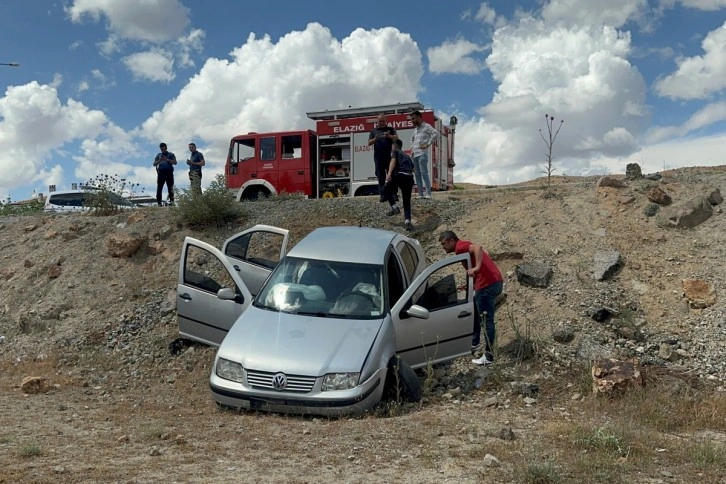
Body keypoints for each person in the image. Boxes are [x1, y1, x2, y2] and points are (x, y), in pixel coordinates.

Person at [439, 230, 503, 365]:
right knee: (474, 309)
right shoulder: (461, 247)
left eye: (444, 244)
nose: (443, 247)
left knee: (487, 321)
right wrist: (470, 284)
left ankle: (489, 357)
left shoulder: (460, 247)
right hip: (491, 282)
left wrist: (477, 268)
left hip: (487, 285)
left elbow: (478, 248)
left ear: (451, 241)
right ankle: (475, 343)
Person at [384, 139, 415, 230]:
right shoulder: (407, 155)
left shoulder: (395, 151)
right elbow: (414, 169)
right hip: (409, 178)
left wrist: (389, 174)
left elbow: (393, 161)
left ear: (395, 145)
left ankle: (394, 207)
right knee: (406, 200)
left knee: (385, 188)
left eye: (392, 145)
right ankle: (408, 221)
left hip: (401, 175)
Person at [410, 110, 439, 200]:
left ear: (419, 117)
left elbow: (436, 133)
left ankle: (428, 194)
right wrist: (412, 148)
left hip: (422, 154)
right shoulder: (415, 130)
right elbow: (411, 139)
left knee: (424, 173)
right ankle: (421, 194)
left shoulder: (426, 126)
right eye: (411, 119)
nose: (412, 121)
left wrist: (428, 143)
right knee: (417, 175)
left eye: (413, 119)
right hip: (415, 154)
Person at [368, 114, 398, 202]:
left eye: (383, 121)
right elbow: (369, 142)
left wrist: (389, 136)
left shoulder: (391, 129)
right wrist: (375, 139)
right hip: (378, 157)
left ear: (386, 121)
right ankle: (383, 195)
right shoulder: (373, 131)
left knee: (392, 175)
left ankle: (394, 194)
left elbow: (396, 138)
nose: (381, 123)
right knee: (380, 176)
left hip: (389, 156)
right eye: (380, 121)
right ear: (377, 122)